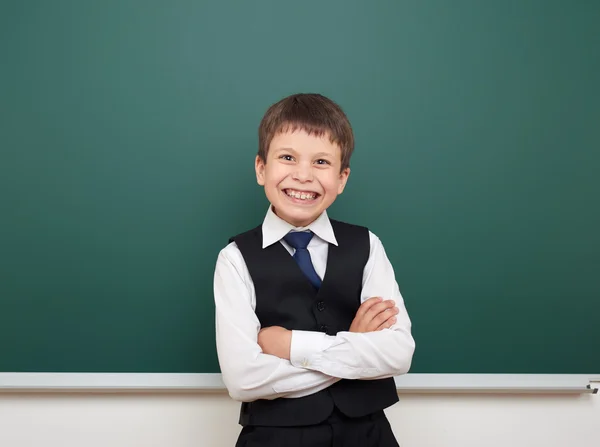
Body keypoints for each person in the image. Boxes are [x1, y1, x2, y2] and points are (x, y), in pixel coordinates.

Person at [213, 93, 415, 446]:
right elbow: (243, 378)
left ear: (342, 178)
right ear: (262, 169)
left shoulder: (368, 247)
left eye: (321, 162)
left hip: (369, 435)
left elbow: (397, 353)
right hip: (274, 438)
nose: (303, 175)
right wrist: (354, 348)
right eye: (287, 157)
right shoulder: (234, 259)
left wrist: (289, 344)